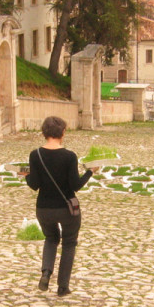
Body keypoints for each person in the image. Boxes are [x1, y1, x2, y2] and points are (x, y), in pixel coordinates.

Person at [25, 116, 96, 297]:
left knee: (50, 239)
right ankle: (63, 286)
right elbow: (75, 186)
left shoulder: (35, 155)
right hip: (67, 209)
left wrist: (24, 175)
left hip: (44, 208)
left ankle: (46, 272)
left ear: (44, 133)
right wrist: (90, 172)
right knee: (69, 243)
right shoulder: (69, 156)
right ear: (63, 132)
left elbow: (34, 185)